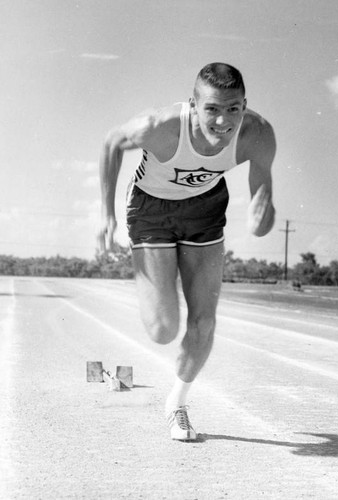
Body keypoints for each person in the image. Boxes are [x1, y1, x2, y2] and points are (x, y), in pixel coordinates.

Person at [98, 62, 276, 441]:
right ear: (194, 104)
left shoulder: (257, 134)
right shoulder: (160, 127)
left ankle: (176, 404)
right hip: (151, 209)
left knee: (204, 322)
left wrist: (264, 210)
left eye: (233, 109)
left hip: (205, 209)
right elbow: (113, 141)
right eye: (212, 108)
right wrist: (106, 215)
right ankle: (156, 285)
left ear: (245, 104)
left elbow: (263, 190)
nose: (223, 121)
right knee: (163, 330)